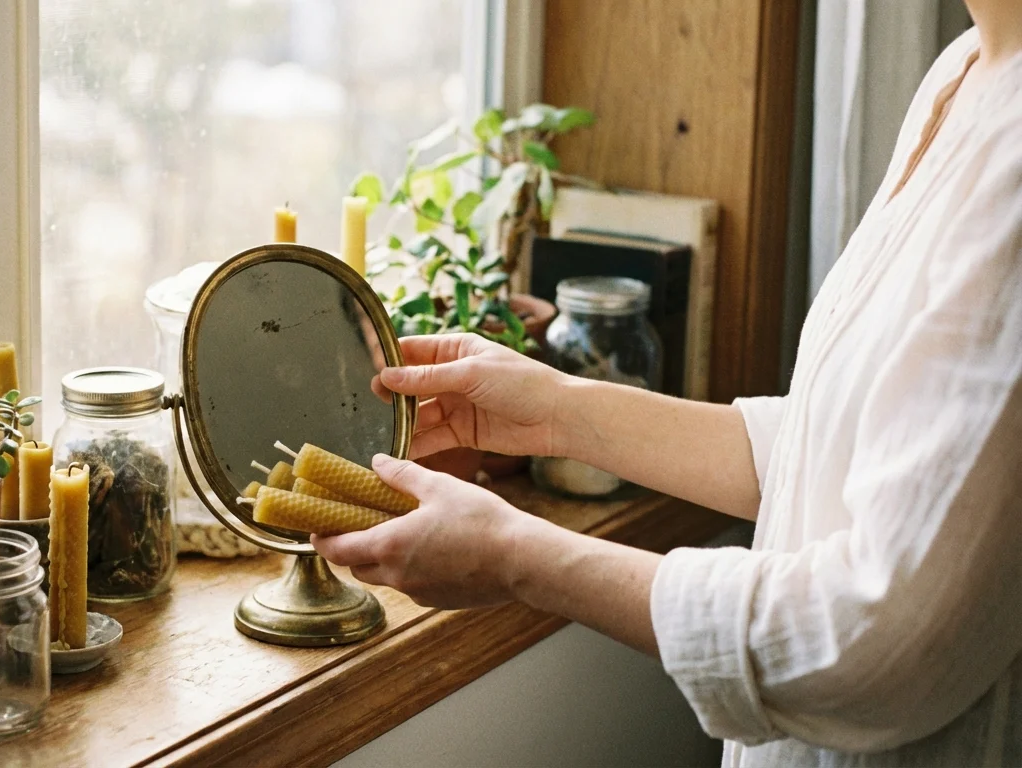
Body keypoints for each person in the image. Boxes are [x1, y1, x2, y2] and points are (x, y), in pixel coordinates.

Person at [312, 5, 1022, 765]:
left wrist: (516, 555)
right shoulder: (967, 68)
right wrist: (557, 410)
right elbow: (840, 451)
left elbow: (881, 643)